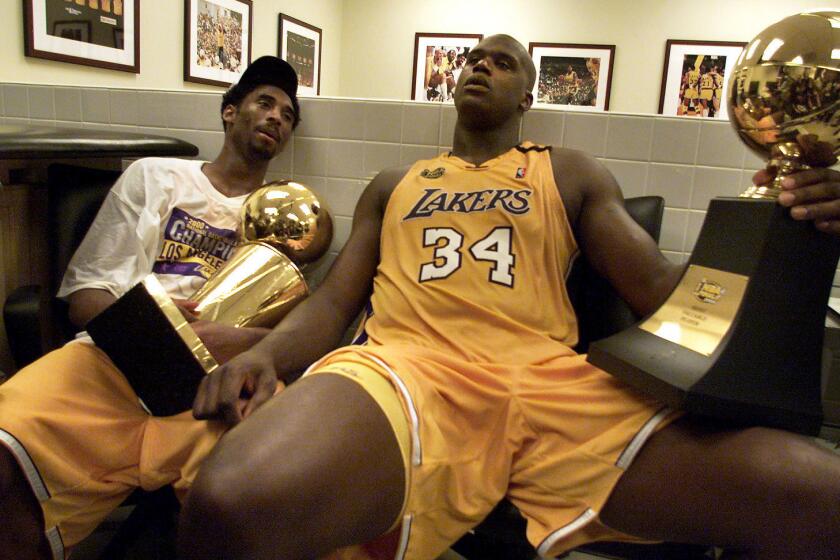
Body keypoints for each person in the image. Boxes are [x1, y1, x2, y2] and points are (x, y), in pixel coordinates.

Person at [179, 35, 840, 560]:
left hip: (550, 383)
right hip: (408, 370)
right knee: (234, 498)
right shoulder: (395, 182)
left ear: (527, 93)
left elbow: (667, 297)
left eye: (502, 62)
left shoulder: (568, 170)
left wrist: (784, 220)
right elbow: (332, 305)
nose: (480, 67)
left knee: (821, 498)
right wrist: (268, 353)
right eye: (472, 59)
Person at [0, 56, 301, 560]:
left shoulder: (287, 219)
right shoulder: (155, 177)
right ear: (229, 112)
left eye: (288, 114)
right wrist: (159, 327)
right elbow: (87, 297)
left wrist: (240, 344)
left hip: (211, 389)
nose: (276, 117)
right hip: (112, 365)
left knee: (254, 502)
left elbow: (296, 332)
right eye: (264, 103)